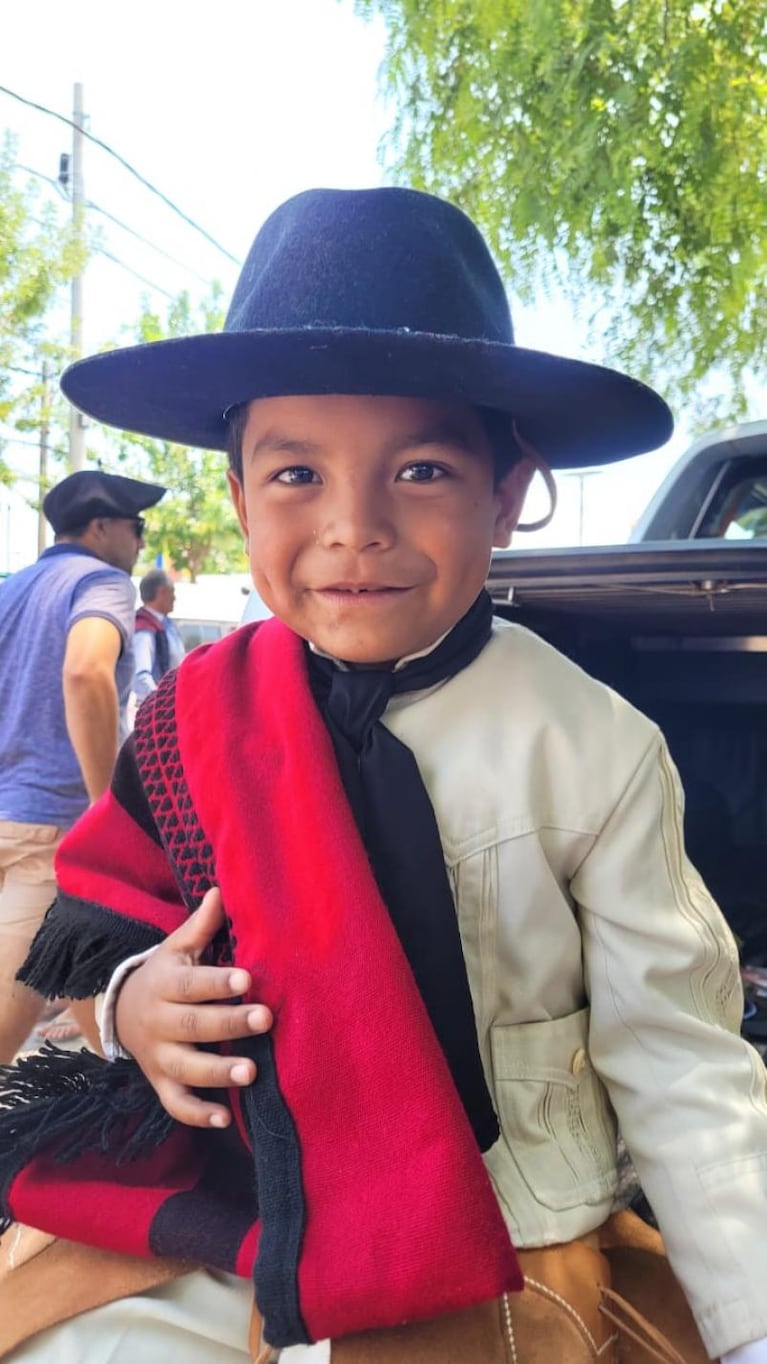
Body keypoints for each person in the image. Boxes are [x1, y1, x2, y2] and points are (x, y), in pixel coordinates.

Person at [0, 187, 765, 1364]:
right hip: (236, 1214)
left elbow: (679, 1064)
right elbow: (99, 947)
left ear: (508, 492)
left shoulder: (595, 748)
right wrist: (130, 1010)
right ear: (240, 494)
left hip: (499, 1240)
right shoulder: (192, 721)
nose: (352, 527)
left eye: (417, 470)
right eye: (295, 474)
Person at [0, 469, 166, 1063]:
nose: (140, 543)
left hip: (9, 815)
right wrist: (105, 808)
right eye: (137, 527)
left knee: (90, 993)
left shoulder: (15, 586)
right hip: (51, 829)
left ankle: (130, 1137)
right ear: (102, 527)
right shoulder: (103, 581)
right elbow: (85, 671)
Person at [133, 568, 185, 699]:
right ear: (161, 592)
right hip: (158, 709)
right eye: (172, 592)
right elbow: (141, 676)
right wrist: (158, 703)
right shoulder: (144, 629)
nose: (175, 598)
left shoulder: (167, 625)